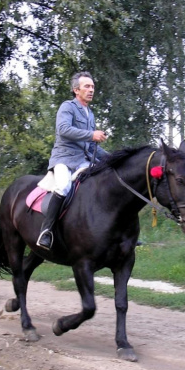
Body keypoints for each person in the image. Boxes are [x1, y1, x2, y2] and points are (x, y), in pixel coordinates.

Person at [36, 71, 109, 250]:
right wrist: (92, 134)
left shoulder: (89, 114)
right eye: (87, 86)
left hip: (83, 161)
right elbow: (64, 130)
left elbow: (91, 147)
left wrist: (113, 159)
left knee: (104, 182)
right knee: (63, 186)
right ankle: (46, 232)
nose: (91, 90)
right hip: (64, 158)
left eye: (92, 86)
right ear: (76, 90)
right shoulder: (67, 107)